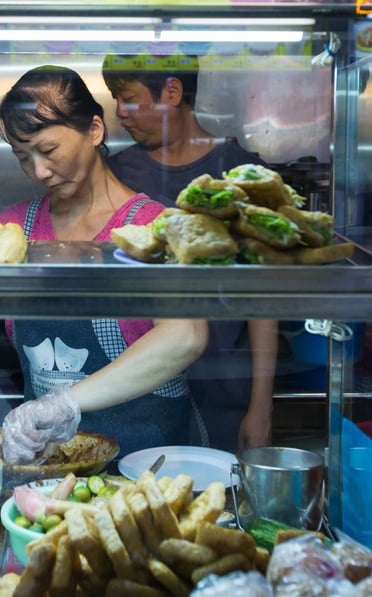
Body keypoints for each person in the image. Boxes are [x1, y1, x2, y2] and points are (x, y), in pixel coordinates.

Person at [0, 65, 208, 463]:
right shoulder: (13, 229)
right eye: (23, 157)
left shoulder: (152, 226)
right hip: (48, 462)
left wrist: (66, 404)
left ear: (94, 130)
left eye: (48, 150)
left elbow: (186, 337)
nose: (38, 171)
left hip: (148, 461)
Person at [102, 53, 277, 451]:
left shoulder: (240, 172)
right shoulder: (116, 175)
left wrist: (261, 408)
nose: (119, 112)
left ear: (172, 91)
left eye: (127, 97)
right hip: (140, 383)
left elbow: (263, 298)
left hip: (222, 387)